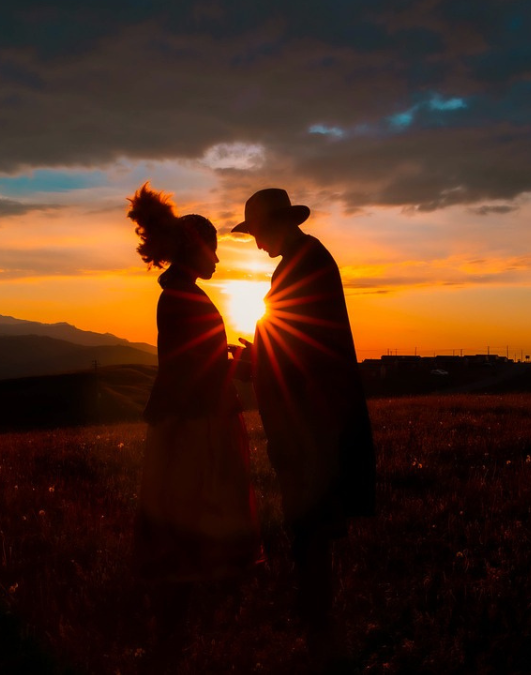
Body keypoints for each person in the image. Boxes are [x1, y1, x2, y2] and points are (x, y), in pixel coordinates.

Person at [231, 188, 377, 662]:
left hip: (311, 421)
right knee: (311, 523)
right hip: (315, 416)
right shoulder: (306, 259)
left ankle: (318, 627)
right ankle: (317, 621)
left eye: (256, 233)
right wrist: (254, 355)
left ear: (275, 226)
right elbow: (289, 337)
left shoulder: (302, 264)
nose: (255, 244)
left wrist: (251, 360)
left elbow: (292, 342)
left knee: (309, 522)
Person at [126, 183, 264, 670]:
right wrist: (243, 362)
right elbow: (195, 370)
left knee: (180, 523)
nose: (219, 261)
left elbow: (190, 360)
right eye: (216, 251)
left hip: (184, 424)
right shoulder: (186, 298)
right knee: (188, 524)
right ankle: (175, 634)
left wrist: (225, 356)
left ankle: (176, 632)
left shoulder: (182, 294)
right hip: (194, 428)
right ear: (196, 249)